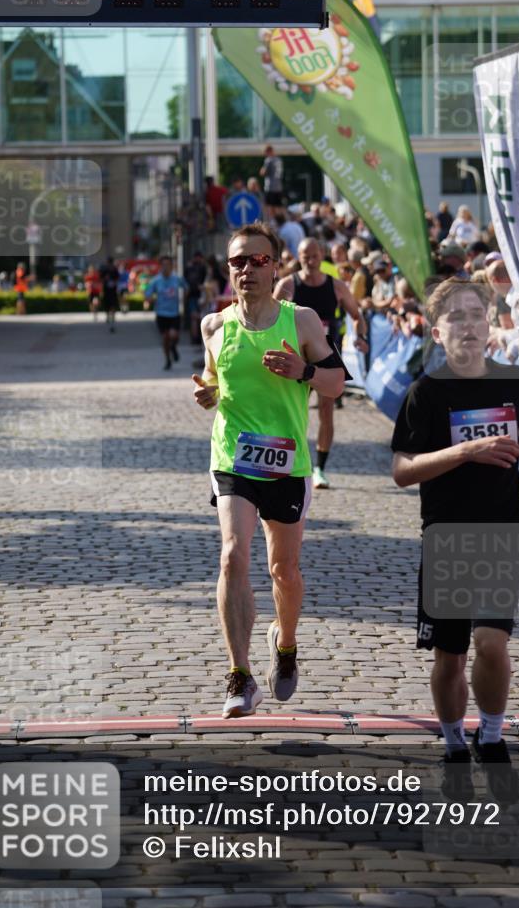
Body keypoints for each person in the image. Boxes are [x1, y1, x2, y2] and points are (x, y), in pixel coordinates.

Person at [392, 278, 519, 802]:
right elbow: (401, 470)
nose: (469, 325)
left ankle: (490, 735)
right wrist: (465, 453)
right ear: (438, 332)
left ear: (490, 325)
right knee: (450, 655)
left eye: (477, 315)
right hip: (446, 538)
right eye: (457, 318)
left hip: (502, 532)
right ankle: (452, 743)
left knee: (491, 644)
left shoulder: (512, 380)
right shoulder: (426, 392)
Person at [192, 221, 345, 717]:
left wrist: (302, 371)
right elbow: (214, 381)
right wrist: (207, 393)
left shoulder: (300, 321)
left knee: (284, 569)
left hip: (286, 461)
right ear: (229, 268)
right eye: (239, 261)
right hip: (233, 456)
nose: (248, 269)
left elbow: (336, 384)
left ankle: (286, 643)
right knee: (233, 556)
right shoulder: (214, 326)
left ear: (275, 266)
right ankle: (239, 675)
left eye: (259, 260)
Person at [274, 237, 367, 490]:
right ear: (299, 256)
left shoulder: (336, 286)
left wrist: (361, 336)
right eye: (305, 256)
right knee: (292, 410)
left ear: (322, 255)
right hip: (297, 354)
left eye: (314, 255)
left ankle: (320, 468)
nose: (310, 260)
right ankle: (288, 462)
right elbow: (270, 318)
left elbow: (357, 315)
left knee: (326, 411)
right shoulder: (287, 285)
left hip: (327, 354)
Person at [145, 256, 187, 370]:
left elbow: (186, 288)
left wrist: (184, 301)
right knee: (165, 338)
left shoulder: (177, 278)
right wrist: (152, 300)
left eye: (168, 265)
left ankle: (173, 347)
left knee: (174, 336)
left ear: (172, 266)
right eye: (163, 265)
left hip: (174, 313)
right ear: (160, 266)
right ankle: (168, 359)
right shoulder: (156, 280)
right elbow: (148, 295)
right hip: (161, 314)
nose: (165, 267)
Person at [259, 145, 284, 215]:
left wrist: (261, 170)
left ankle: (271, 221)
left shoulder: (269, 160)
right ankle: (279, 221)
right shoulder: (279, 160)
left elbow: (263, 172)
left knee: (269, 206)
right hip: (278, 186)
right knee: (278, 206)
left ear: (268, 151)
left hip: (270, 187)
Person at [100, 256, 120, 332]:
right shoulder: (104, 269)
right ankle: (108, 315)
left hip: (112, 290)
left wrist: (114, 281)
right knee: (107, 304)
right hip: (107, 290)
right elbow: (101, 277)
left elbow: (117, 278)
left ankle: (112, 316)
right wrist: (105, 279)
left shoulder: (114, 269)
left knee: (112, 304)